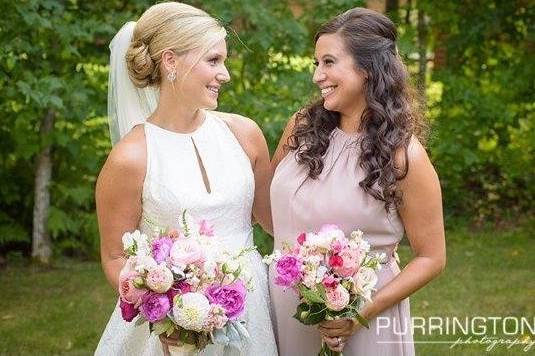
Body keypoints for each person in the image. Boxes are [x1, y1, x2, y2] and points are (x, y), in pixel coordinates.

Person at [94, 2, 277, 355]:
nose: (225, 74)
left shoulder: (244, 134)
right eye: (213, 61)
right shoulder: (130, 158)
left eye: (223, 61)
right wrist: (163, 311)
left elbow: (274, 222)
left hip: (251, 310)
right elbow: (115, 257)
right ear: (170, 62)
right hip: (171, 328)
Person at [269, 7, 446, 356]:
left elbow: (432, 257)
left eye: (329, 62)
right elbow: (268, 208)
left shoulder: (404, 156)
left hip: (365, 317)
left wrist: (360, 313)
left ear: (367, 69)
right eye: (316, 63)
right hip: (284, 306)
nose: (318, 75)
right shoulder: (301, 128)